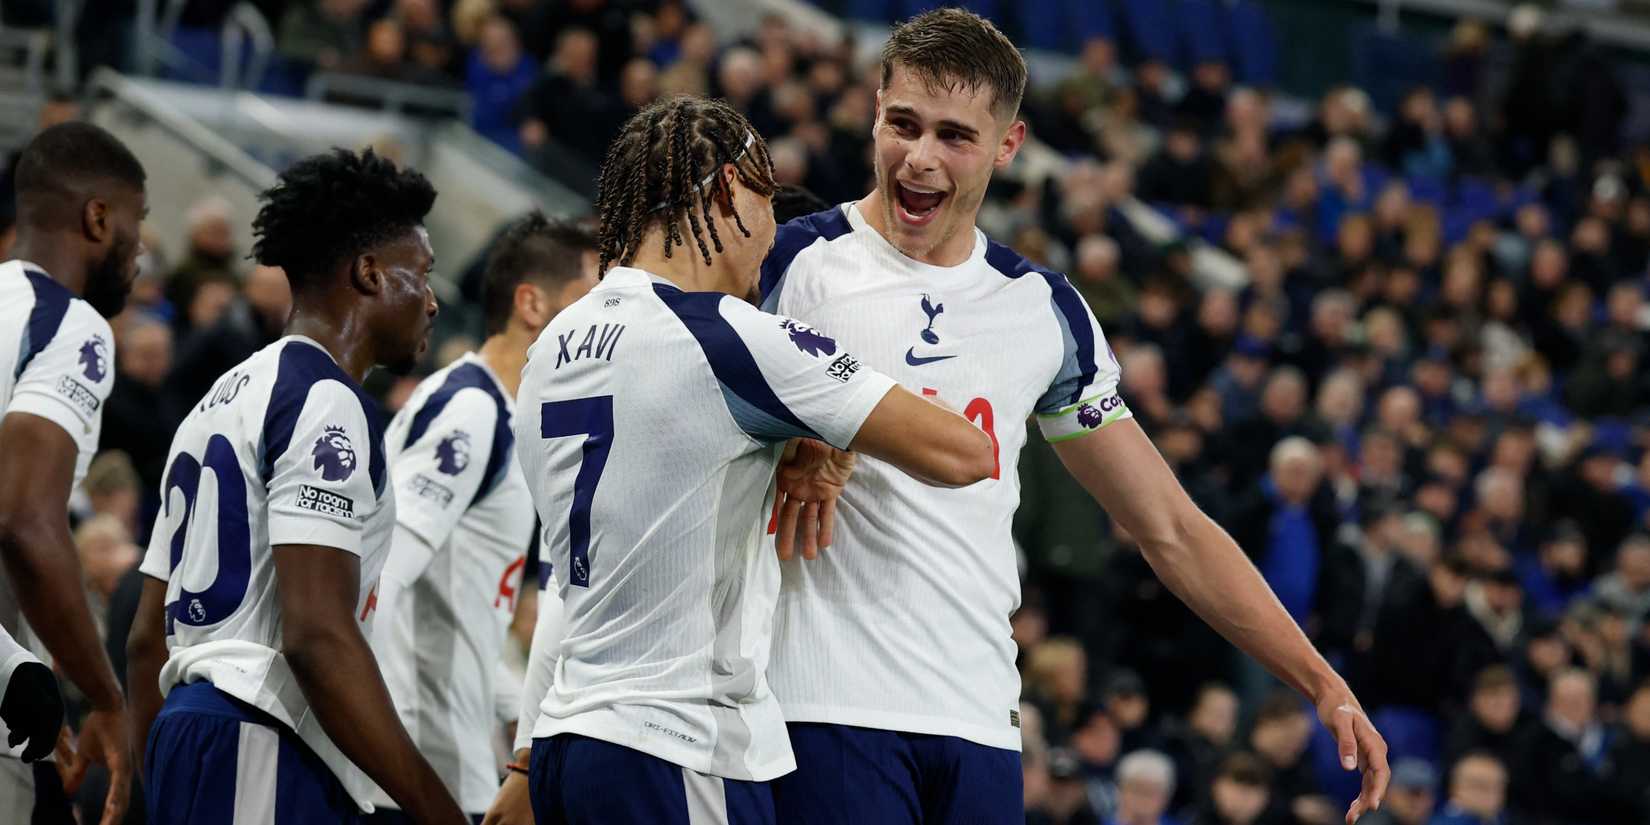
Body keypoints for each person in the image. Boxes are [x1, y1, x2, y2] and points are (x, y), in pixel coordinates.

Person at [757, 10, 1389, 824]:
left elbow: (1170, 526)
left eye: (955, 136)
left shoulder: (1041, 309)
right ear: (875, 110)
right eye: (903, 124)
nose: (919, 157)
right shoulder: (788, 265)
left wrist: (1321, 680)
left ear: (1008, 145)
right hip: (822, 705)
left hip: (980, 721)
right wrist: (781, 435)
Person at [511, 95, 994, 825]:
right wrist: (832, 429)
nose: (773, 235)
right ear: (729, 189)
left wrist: (795, 437)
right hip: (676, 740)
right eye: (767, 201)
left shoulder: (552, 344)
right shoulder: (725, 337)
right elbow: (964, 452)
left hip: (567, 739)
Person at [123, 148, 470, 825]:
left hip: (191, 729)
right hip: (260, 731)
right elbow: (316, 634)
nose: (432, 301)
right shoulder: (323, 400)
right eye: (422, 274)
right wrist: (439, 811)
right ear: (369, 272)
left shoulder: (213, 403)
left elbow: (144, 640)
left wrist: (159, 779)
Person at [367, 213, 598, 823]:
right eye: (591, 300)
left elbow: (463, 613)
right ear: (532, 304)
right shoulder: (472, 411)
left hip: (454, 755)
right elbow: (379, 577)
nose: (605, 322)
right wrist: (379, 744)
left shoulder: (505, 414)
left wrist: (518, 713)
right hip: (422, 767)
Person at [0, 121, 147, 825]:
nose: (141, 251)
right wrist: (106, 697)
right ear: (98, 218)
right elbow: (25, 521)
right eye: (137, 225)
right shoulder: (68, 323)